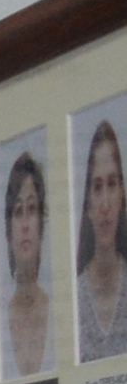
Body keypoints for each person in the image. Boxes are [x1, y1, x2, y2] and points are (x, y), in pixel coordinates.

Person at [3, 145, 56, 380]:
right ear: (8, 230)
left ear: (42, 223)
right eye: (18, 211)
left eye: (32, 209)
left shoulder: (59, 311)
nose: (25, 224)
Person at [78, 117, 127, 365]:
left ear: (122, 195)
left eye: (112, 184)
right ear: (87, 203)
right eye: (97, 187)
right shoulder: (74, 297)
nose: (105, 203)